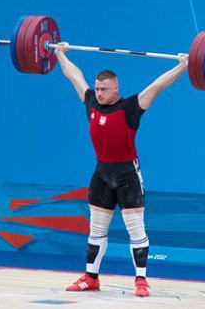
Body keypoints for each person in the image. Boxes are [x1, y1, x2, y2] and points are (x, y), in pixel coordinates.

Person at [55, 42, 188, 297]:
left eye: (104, 89)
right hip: (102, 175)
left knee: (135, 229)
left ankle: (141, 280)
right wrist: (60, 53)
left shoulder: (131, 107)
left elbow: (158, 86)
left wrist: (182, 66)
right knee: (96, 230)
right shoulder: (91, 103)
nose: (99, 93)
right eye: (97, 88)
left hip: (128, 176)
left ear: (116, 88)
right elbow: (74, 75)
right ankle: (91, 278)